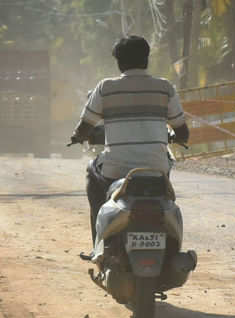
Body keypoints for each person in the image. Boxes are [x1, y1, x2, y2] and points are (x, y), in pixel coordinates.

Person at [71, 35, 190, 244]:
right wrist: (176, 137)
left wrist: (77, 137)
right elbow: (183, 133)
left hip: (115, 171)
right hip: (156, 169)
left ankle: (98, 244)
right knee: (166, 181)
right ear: (146, 59)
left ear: (119, 62)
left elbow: (84, 127)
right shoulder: (165, 87)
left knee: (92, 171)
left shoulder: (105, 88)